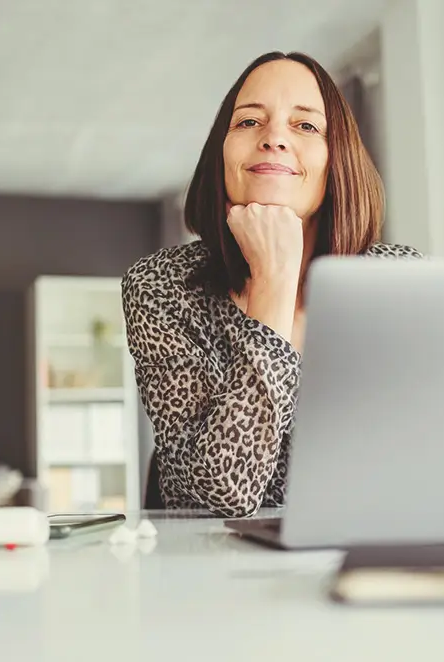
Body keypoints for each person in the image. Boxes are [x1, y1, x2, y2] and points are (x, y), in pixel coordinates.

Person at [122, 51, 422, 517]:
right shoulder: (162, 287)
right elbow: (217, 498)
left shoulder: (399, 284)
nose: (274, 138)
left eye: (305, 126)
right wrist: (274, 284)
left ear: (336, 158)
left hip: (369, 552)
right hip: (215, 572)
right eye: (247, 122)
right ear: (220, 155)